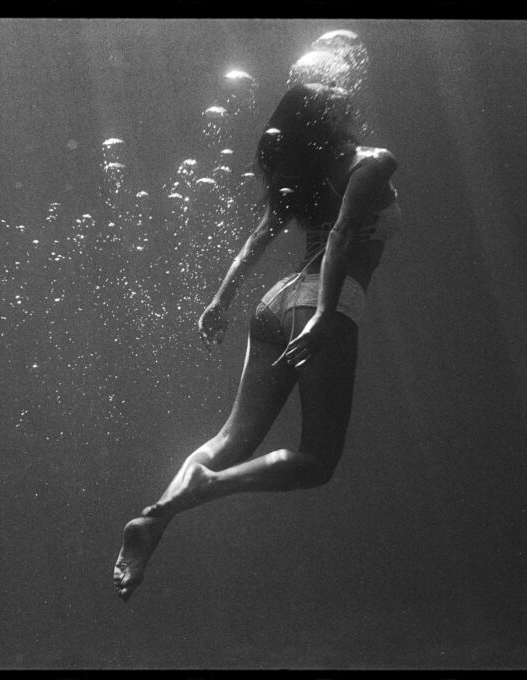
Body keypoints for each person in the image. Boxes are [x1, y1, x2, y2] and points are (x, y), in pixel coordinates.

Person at [112, 82, 401, 602]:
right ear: (331, 115)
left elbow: (256, 240)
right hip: (322, 305)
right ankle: (201, 490)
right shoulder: (372, 163)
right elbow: (338, 239)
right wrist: (323, 317)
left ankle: (154, 520)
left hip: (274, 304)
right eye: (336, 98)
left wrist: (220, 302)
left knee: (229, 440)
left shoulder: (302, 174)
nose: (346, 99)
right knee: (317, 461)